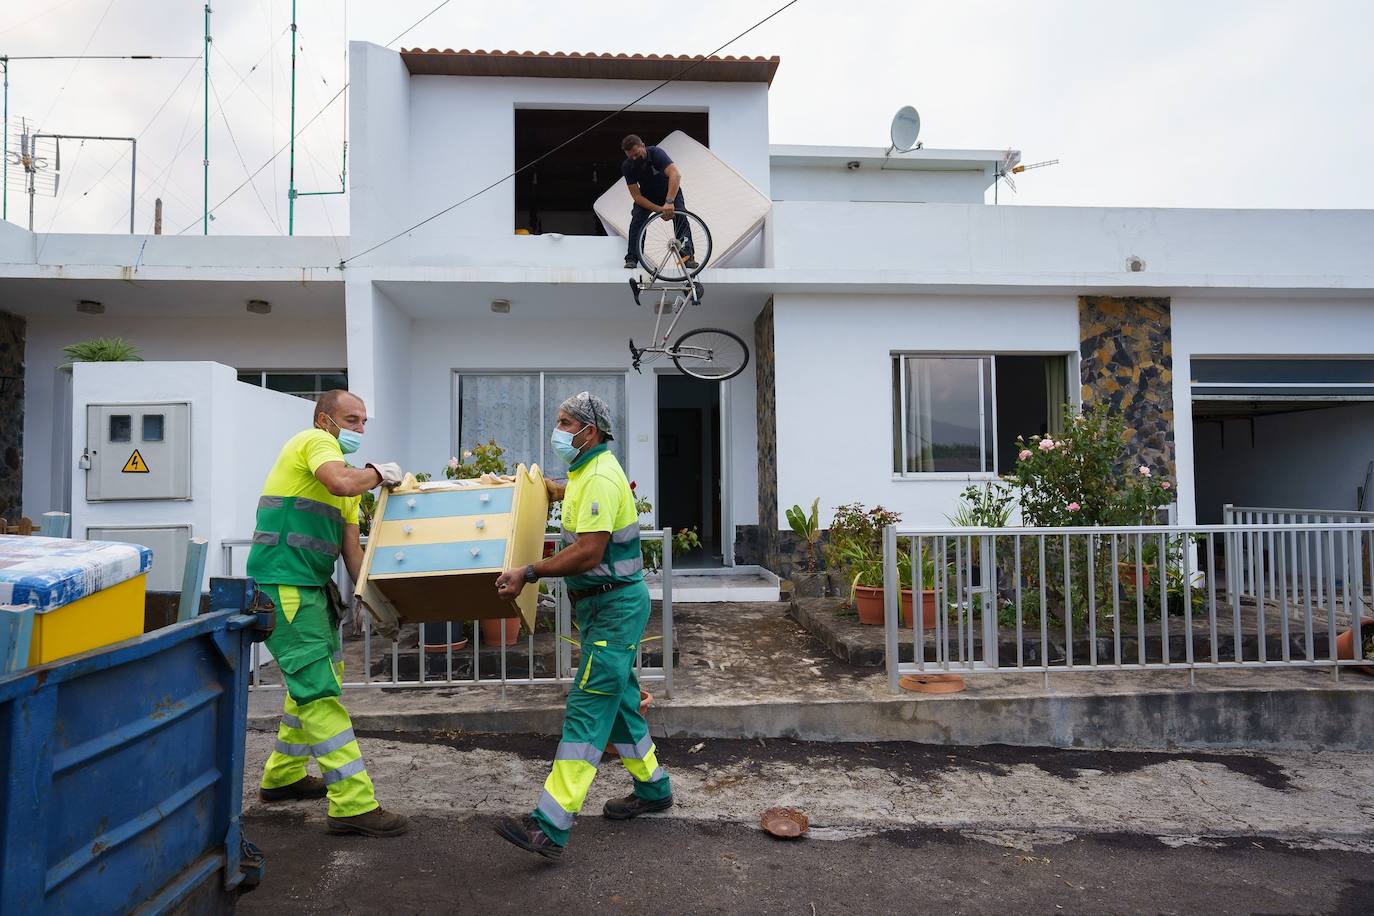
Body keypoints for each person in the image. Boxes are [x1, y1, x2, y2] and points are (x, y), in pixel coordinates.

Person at [493, 392, 673, 861]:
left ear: (588, 431)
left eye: (565, 422)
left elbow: (589, 551)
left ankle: (549, 826)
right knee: (621, 706)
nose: (558, 430)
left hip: (612, 608)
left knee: (588, 706)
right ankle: (655, 791)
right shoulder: (585, 473)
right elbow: (569, 492)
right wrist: (538, 487)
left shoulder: (597, 476)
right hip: (604, 607)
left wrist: (529, 571)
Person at [248, 389, 410, 837]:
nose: (358, 429)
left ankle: (282, 778)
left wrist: (376, 600)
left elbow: (350, 551)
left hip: (312, 591)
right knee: (318, 691)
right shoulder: (315, 443)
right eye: (350, 419)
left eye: (363, 422)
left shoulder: (349, 480)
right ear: (325, 419)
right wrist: (377, 473)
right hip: (286, 586)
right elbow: (340, 480)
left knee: (315, 683)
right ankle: (353, 805)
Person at [621, 133, 697, 271]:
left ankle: (687, 258)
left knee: (681, 216)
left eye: (637, 154)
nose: (634, 158)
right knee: (637, 220)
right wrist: (659, 209)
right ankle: (632, 258)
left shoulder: (656, 153)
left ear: (643, 146)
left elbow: (675, 174)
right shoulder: (627, 166)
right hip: (647, 195)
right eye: (630, 156)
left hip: (670, 191)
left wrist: (669, 202)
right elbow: (637, 196)